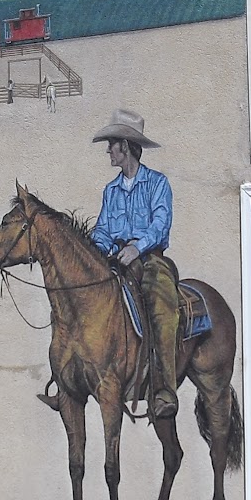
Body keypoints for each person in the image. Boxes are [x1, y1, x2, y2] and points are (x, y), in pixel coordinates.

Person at [90, 109, 180, 419]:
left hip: (150, 259)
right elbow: (103, 229)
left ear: (125, 147)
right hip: (117, 259)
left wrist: (136, 247)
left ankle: (165, 390)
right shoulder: (110, 190)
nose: (108, 151)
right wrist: (96, 250)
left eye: (111, 145)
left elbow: (160, 225)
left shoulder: (157, 183)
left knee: (162, 306)